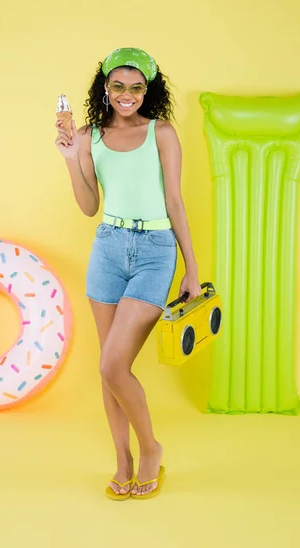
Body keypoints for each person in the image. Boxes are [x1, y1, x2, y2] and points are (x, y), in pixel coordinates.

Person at [55, 47, 201, 500]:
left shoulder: (162, 132)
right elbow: (88, 205)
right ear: (104, 88)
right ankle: (123, 461)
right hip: (108, 249)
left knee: (113, 364)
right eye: (118, 86)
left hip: (156, 251)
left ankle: (151, 448)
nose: (126, 95)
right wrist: (68, 156)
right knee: (107, 370)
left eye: (136, 88)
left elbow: (174, 201)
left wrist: (191, 269)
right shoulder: (88, 136)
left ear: (147, 91)